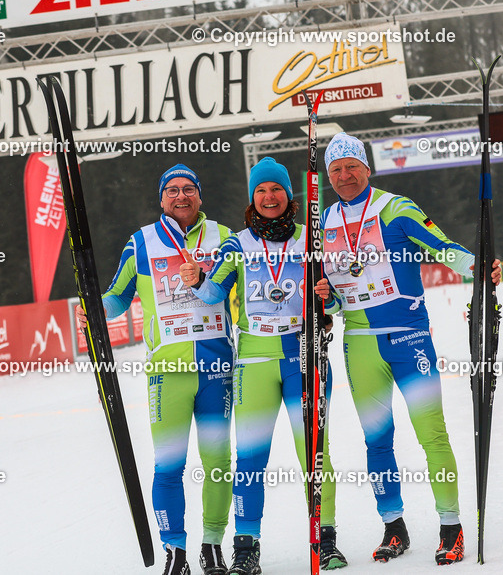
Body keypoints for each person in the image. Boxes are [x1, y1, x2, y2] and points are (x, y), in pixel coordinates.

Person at [313, 133, 501, 566]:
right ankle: (393, 527)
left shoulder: (396, 208)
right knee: (377, 441)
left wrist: (479, 263)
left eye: (351, 167)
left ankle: (450, 528)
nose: (344, 176)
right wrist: (327, 297)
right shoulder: (322, 225)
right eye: (335, 170)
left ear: (367, 168)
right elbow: (336, 298)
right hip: (358, 343)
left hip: (408, 336)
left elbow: (444, 248)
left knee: (431, 433)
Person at [181, 157, 347, 574]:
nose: (269, 197)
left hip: (302, 356)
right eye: (261, 191)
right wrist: (196, 280)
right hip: (254, 360)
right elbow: (212, 293)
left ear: (288, 195)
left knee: (314, 453)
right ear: (252, 198)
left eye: (275, 189)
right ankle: (246, 548)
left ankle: (324, 539)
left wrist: (328, 295)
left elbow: (339, 302)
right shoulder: (236, 245)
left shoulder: (311, 240)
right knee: (250, 458)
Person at [75, 164, 233, 575]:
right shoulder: (142, 242)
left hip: (218, 368)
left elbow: (243, 289)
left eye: (189, 190)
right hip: (169, 372)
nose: (181, 197)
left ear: (200, 196)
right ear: (161, 198)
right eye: (172, 191)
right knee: (168, 466)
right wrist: (92, 309)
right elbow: (117, 297)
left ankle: (213, 547)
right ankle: (176, 552)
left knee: (218, 461)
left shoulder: (224, 236)